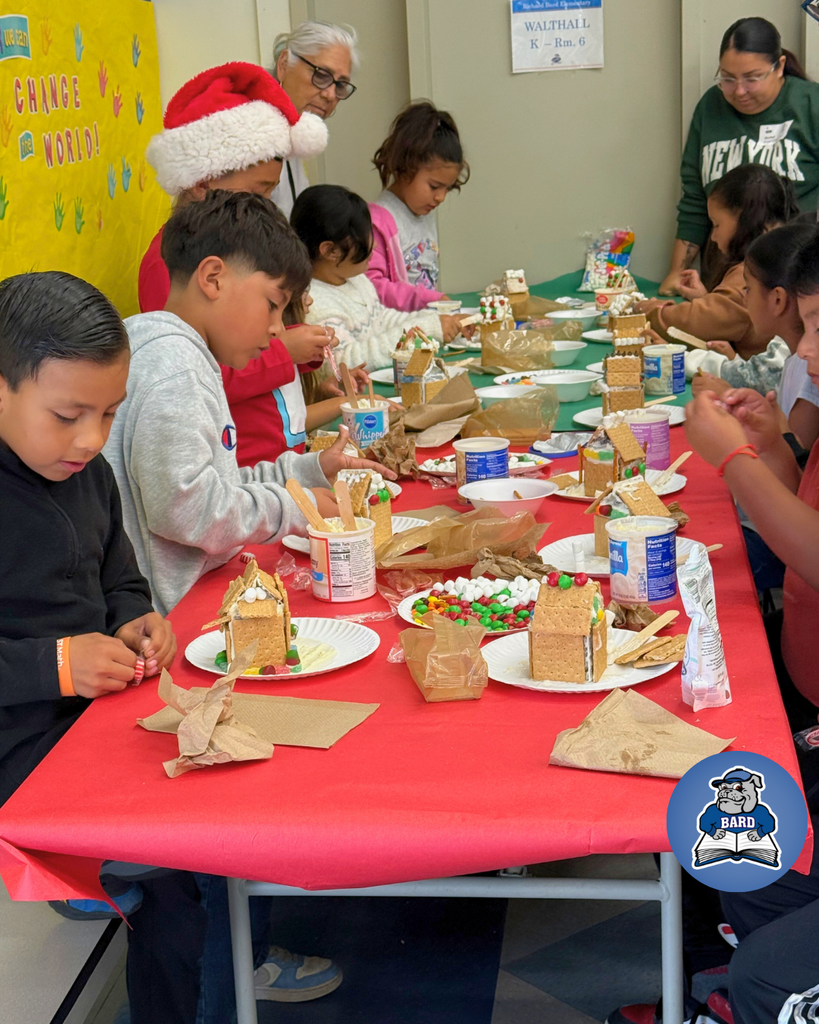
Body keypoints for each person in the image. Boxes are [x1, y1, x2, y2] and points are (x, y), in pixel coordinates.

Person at [0, 272, 196, 1023]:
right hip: (19, 747)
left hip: (96, 724)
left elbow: (118, 575)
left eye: (108, 413)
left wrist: (133, 619)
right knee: (179, 872)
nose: (91, 438)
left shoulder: (91, 472)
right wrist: (54, 663)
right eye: (68, 414)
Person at [105, 189, 393, 616]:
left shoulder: (180, 354)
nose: (278, 329)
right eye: (273, 305)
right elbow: (186, 510)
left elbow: (214, 484)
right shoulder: (176, 368)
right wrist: (299, 504)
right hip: (176, 621)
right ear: (213, 278)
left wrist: (304, 472)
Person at [683, 227, 819, 723]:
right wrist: (769, 448)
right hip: (799, 671)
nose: (802, 352)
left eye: (817, 330)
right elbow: (804, 513)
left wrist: (734, 460)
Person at [660, 16, 819, 297]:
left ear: (779, 66)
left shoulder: (810, 104)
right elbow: (695, 198)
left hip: (795, 276)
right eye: (728, 78)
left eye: (752, 78)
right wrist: (676, 273)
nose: (739, 91)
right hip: (725, 281)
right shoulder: (711, 106)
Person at [292, 184, 474, 370]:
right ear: (330, 250)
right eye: (363, 237)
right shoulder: (313, 303)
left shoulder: (357, 279)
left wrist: (440, 319)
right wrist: (426, 329)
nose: (374, 244)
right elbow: (342, 362)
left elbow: (384, 321)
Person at [637, 164, 799, 358]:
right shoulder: (782, 254)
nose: (713, 237)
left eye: (716, 224)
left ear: (743, 219)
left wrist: (647, 309)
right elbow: (729, 314)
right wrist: (703, 298)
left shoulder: (755, 273)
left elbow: (699, 321)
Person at [689, 221, 819, 450]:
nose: (742, 294)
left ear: (777, 300)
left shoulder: (808, 370)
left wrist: (734, 405)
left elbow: (796, 469)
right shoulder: (795, 359)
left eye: (748, 287)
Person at [368, 101, 469, 312]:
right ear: (405, 166)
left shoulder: (423, 211)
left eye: (447, 189)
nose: (440, 197)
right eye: (434, 186)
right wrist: (427, 300)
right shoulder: (377, 222)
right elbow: (372, 288)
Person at [270, 21, 359, 218]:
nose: (330, 94)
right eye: (321, 75)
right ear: (284, 64)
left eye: (341, 85)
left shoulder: (295, 133)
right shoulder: (252, 132)